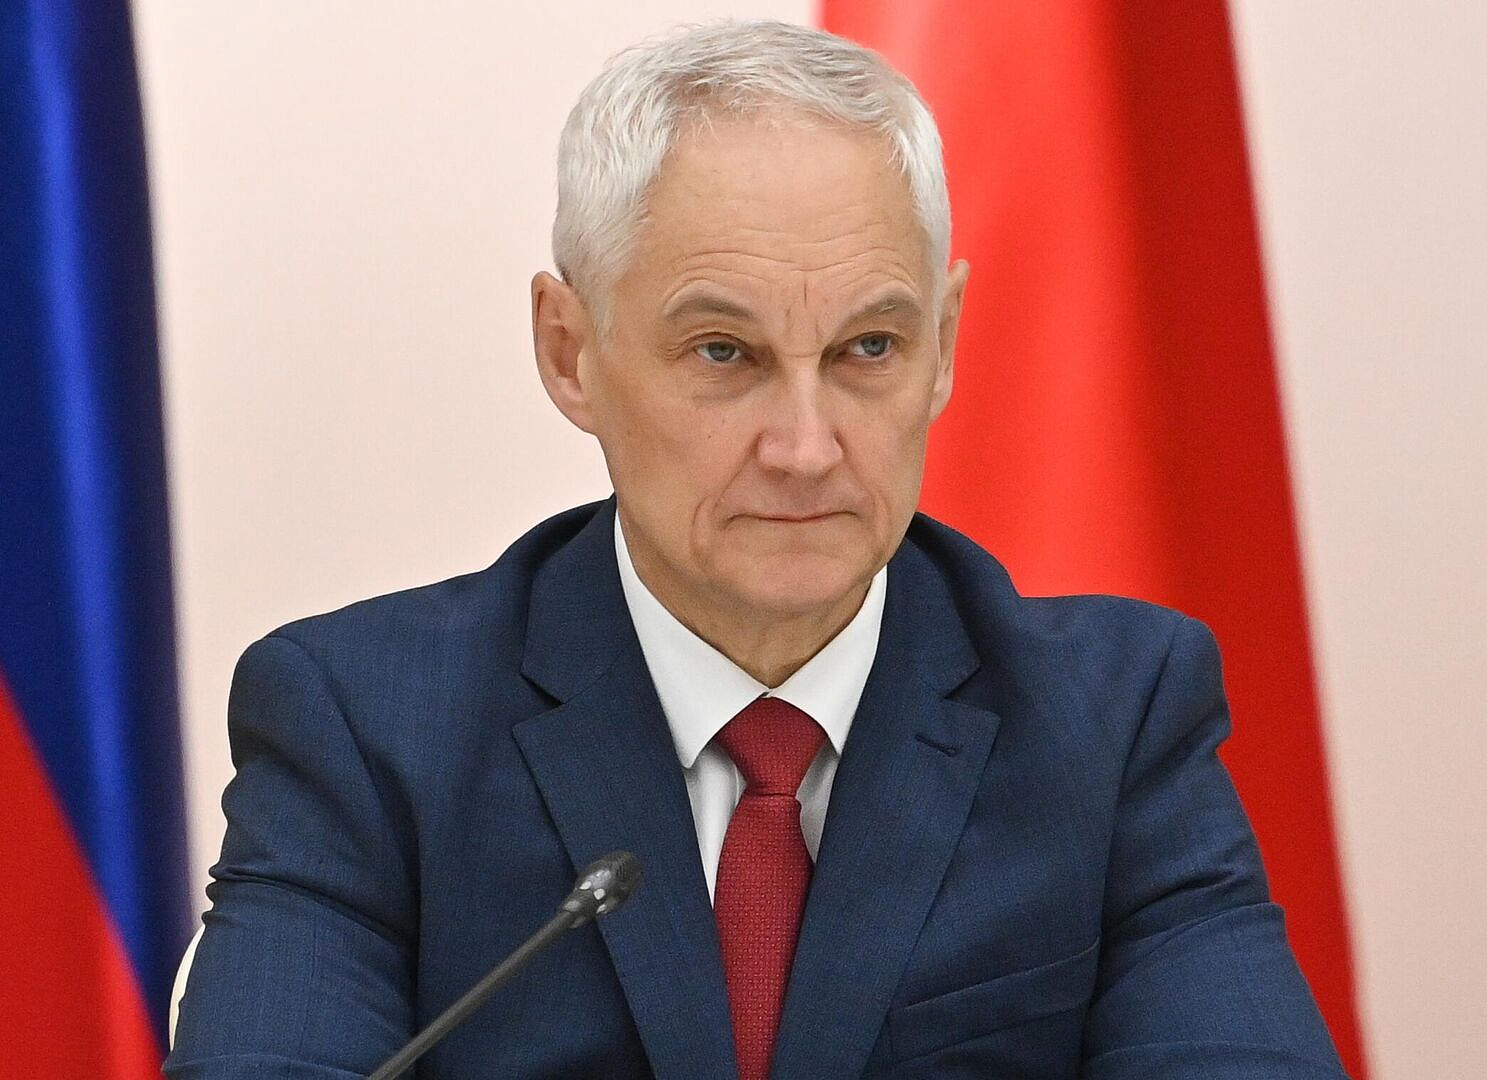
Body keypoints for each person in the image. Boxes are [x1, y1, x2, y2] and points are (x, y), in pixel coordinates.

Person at [165, 20, 1347, 1080]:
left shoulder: (1111, 721)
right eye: (724, 354)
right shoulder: (368, 727)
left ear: (943, 346)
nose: (806, 447)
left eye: (868, 348)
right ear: (571, 353)